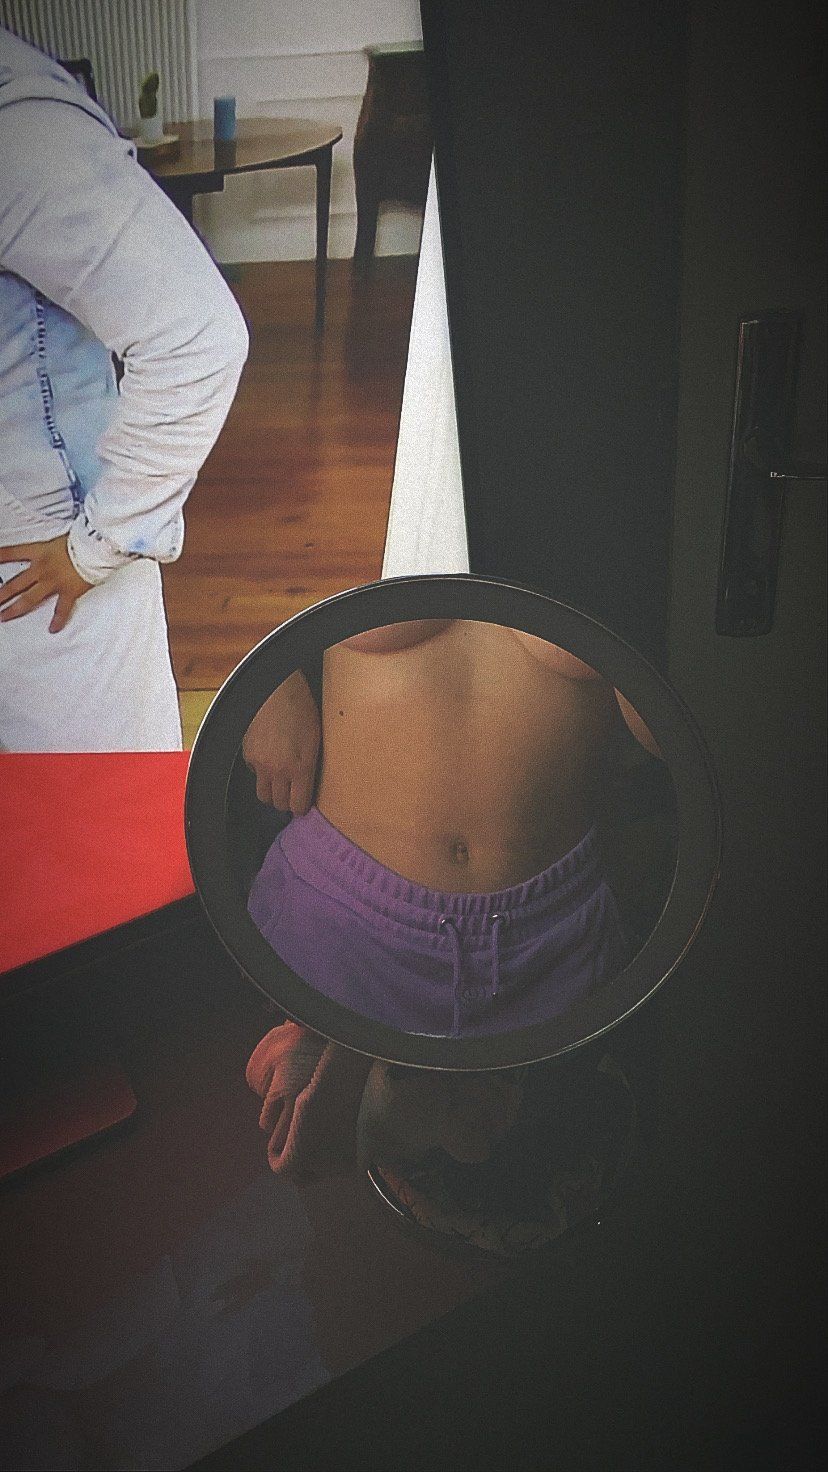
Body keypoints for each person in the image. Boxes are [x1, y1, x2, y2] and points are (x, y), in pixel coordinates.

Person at [0, 27, 248, 750]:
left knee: (98, 811)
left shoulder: (18, 133)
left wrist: (97, 547)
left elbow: (196, 335)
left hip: (37, 575)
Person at [243, 618, 660, 1040]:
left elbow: (669, 743)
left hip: (553, 943)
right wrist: (266, 679)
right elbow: (226, 593)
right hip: (339, 920)